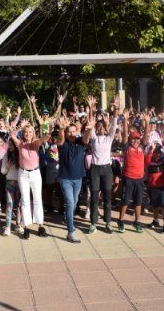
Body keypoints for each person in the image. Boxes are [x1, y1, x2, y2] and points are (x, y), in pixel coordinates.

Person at [10, 122, 50, 240]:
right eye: (26, 132)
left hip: (35, 173)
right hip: (23, 174)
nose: (28, 134)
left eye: (30, 132)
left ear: (33, 133)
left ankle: (41, 225)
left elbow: (43, 139)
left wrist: (46, 133)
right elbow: (12, 135)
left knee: (37, 199)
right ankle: (26, 226)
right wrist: (21, 127)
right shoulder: (20, 144)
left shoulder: (35, 143)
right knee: (25, 200)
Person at [56, 115, 92, 243]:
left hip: (78, 179)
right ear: (66, 133)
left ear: (77, 132)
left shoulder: (80, 142)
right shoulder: (62, 143)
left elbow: (86, 138)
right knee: (70, 203)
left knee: (74, 203)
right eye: (69, 132)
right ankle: (71, 232)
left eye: (73, 131)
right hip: (65, 179)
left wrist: (89, 129)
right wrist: (61, 129)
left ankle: (68, 217)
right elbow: (60, 139)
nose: (71, 134)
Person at [87, 95, 119, 234]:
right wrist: (90, 108)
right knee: (94, 197)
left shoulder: (109, 138)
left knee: (107, 197)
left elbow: (115, 123)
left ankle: (108, 222)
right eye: (98, 126)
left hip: (106, 169)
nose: (100, 128)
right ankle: (93, 223)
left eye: (102, 127)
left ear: (105, 128)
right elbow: (90, 122)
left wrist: (116, 109)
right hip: (95, 170)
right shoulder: (94, 138)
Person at [117, 111, 150, 233]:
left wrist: (147, 122)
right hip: (128, 178)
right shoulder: (127, 147)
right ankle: (121, 220)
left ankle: (137, 222)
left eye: (137, 139)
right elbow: (125, 133)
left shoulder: (141, 147)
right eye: (133, 139)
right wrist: (125, 120)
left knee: (138, 201)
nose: (136, 141)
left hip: (139, 179)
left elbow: (145, 136)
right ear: (130, 140)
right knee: (125, 200)